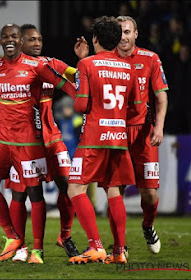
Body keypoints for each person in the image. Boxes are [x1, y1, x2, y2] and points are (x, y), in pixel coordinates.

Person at [0, 23, 76, 264]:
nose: (10, 40)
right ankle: (13, 237)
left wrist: (84, 101)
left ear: (20, 42)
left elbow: (64, 82)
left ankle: (41, 248)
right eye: (6, 36)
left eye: (14, 37)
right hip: (1, 141)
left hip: (32, 142)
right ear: (1, 41)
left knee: (40, 191)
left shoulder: (40, 65)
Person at [2, 24, 80, 262]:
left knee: (69, 185)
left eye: (40, 39)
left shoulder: (51, 64)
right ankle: (21, 246)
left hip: (51, 137)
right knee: (20, 194)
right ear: (20, 43)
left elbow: (75, 75)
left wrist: (85, 62)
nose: (37, 43)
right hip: (24, 140)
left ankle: (64, 236)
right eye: (31, 40)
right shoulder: (11, 69)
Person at [67, 16, 141, 264]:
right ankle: (119, 251)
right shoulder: (129, 67)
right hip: (118, 137)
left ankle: (95, 246)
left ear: (95, 39)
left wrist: (79, 69)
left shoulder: (86, 65)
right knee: (113, 191)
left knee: (75, 188)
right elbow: (134, 108)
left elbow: (80, 105)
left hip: (93, 139)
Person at [115, 15, 168, 254]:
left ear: (136, 34)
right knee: (116, 189)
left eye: (127, 32)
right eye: (119, 32)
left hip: (144, 134)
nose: (123, 37)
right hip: (114, 132)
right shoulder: (106, 59)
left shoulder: (150, 59)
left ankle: (148, 225)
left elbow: (161, 96)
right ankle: (120, 245)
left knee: (149, 192)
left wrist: (159, 127)